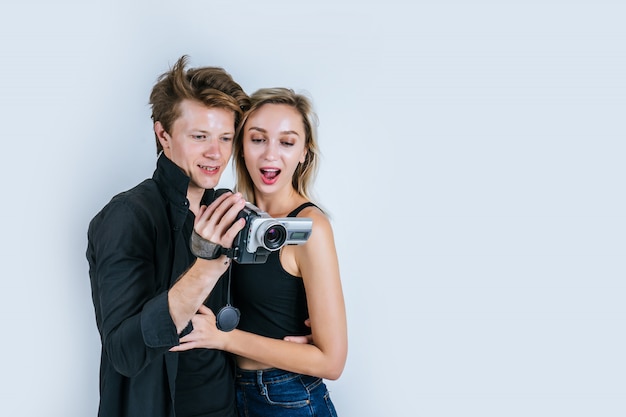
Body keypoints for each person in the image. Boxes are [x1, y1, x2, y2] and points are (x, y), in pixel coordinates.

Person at [86, 55, 251, 417]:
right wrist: (207, 263)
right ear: (163, 135)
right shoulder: (126, 216)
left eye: (226, 137)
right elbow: (125, 352)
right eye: (200, 137)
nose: (217, 152)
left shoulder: (225, 207)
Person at [171, 88, 348, 416]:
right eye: (257, 139)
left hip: (287, 396)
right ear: (240, 145)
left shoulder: (310, 227)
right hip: (231, 393)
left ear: (304, 153)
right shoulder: (226, 212)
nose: (270, 155)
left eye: (286, 142)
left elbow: (332, 361)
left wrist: (225, 339)